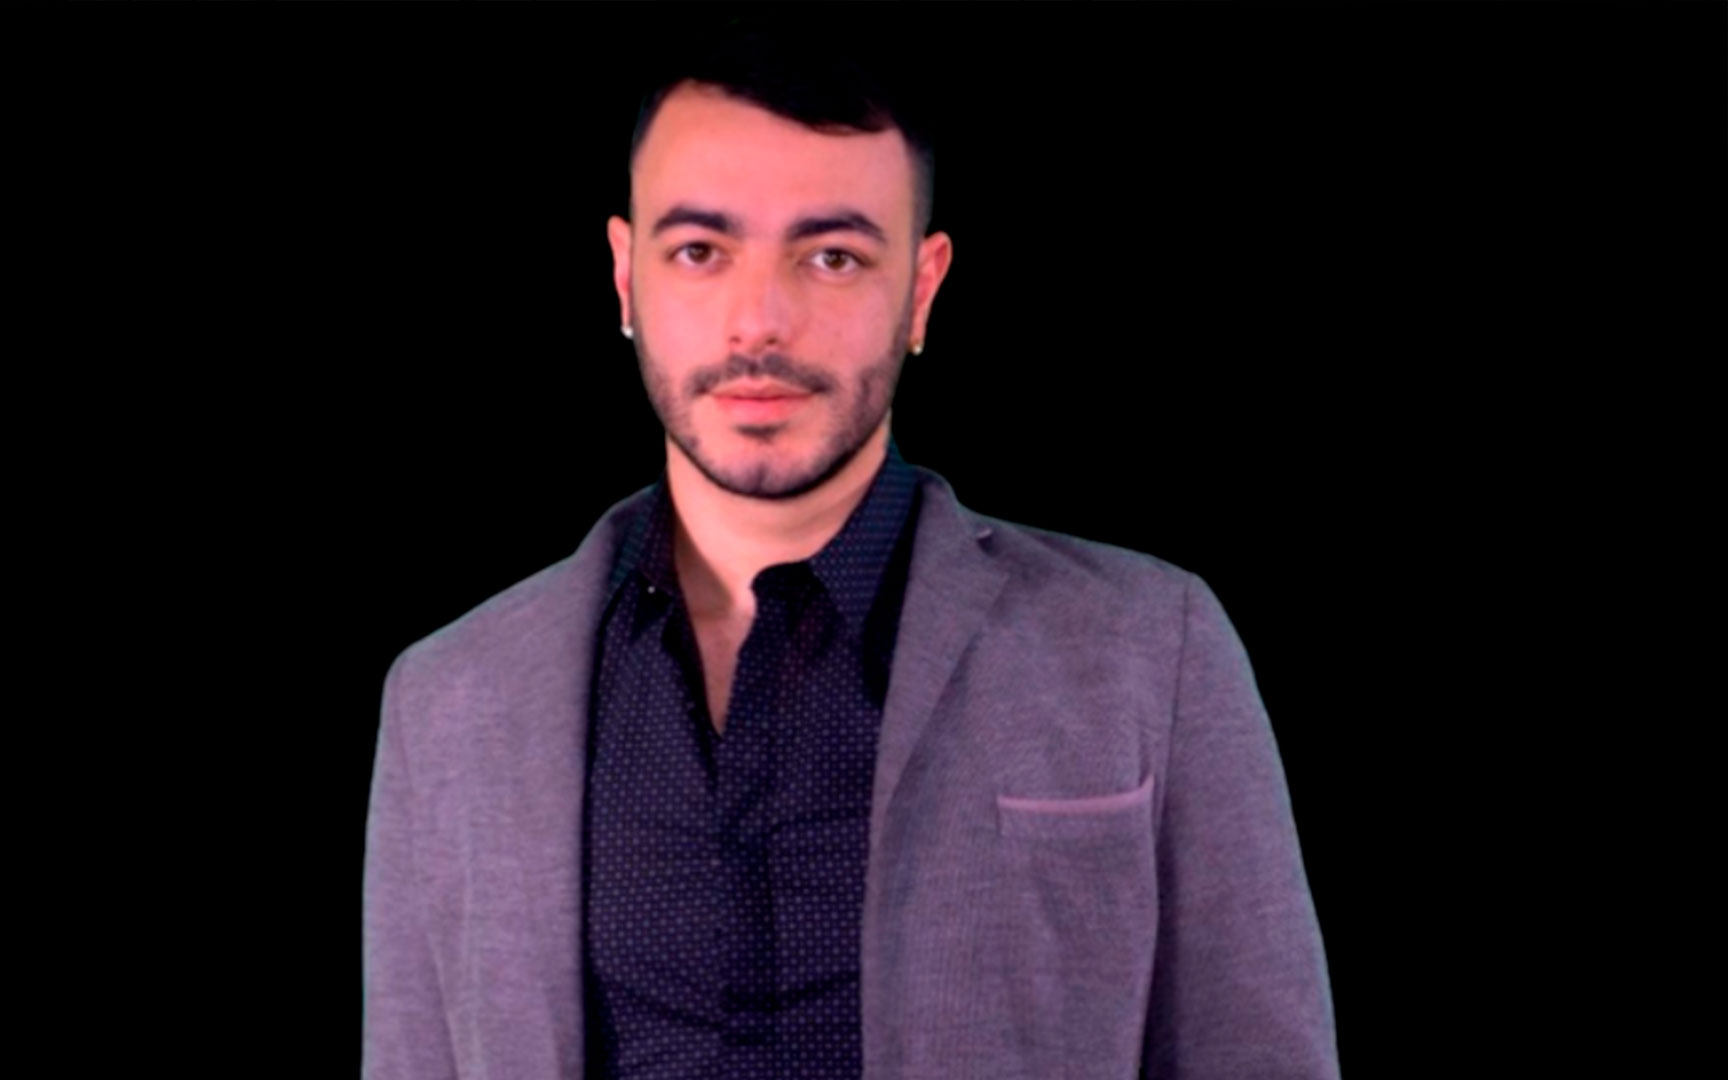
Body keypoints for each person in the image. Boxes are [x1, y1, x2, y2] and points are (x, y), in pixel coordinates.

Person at [362, 21, 1338, 1080]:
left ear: (921, 288)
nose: (759, 323)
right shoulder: (447, 698)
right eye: (700, 251)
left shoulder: (1151, 650)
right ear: (625, 278)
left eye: (831, 256)